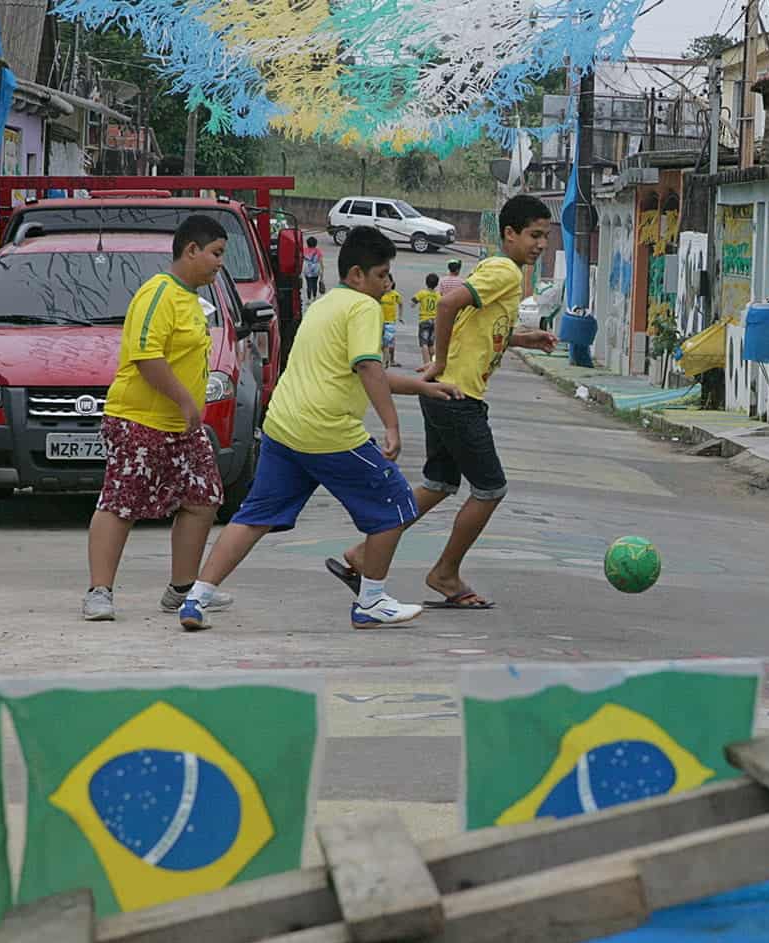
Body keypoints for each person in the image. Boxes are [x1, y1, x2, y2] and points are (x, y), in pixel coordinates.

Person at [175, 226, 464, 632]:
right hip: (326, 431)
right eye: (382, 275)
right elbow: (368, 366)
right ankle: (372, 600)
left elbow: (364, 372)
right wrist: (393, 427)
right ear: (358, 275)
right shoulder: (363, 308)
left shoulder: (325, 305)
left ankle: (197, 598)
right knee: (398, 505)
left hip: (283, 428)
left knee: (253, 517)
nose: (387, 285)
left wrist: (423, 387)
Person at [327, 195, 557, 610]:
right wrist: (441, 361)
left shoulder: (494, 268)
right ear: (510, 234)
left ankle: (364, 554)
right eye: (534, 235)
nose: (540, 244)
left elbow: (481, 327)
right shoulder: (505, 270)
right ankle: (445, 573)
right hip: (457, 396)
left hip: (444, 394)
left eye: (545, 236)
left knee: (439, 483)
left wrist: (524, 339)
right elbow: (450, 304)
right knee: (490, 489)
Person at [84, 214, 231, 622]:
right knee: (121, 502)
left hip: (181, 426)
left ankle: (182, 589)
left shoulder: (192, 298)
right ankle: (99, 592)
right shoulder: (158, 294)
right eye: (216, 254)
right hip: (137, 419)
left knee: (203, 499)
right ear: (191, 251)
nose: (220, 263)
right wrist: (186, 401)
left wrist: (188, 411)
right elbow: (146, 356)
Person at [379, 273, 402, 367]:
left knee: (388, 342)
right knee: (384, 343)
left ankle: (390, 360)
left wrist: (400, 316)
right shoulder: (380, 294)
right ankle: (385, 360)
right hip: (380, 321)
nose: (385, 284)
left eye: (387, 282)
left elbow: (401, 304)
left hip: (390, 322)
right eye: (383, 282)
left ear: (392, 283)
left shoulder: (395, 295)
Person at [413, 273, 440, 352]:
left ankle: (426, 362)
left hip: (424, 320)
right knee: (431, 344)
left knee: (424, 343)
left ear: (426, 282)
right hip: (434, 320)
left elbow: (413, 303)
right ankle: (432, 361)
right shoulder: (438, 295)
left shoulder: (422, 293)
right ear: (437, 284)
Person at [302, 236, 324, 302]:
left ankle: (309, 299)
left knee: (308, 284)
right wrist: (322, 272)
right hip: (315, 270)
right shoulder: (318, 251)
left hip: (307, 270)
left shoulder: (304, 250)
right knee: (315, 284)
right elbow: (321, 262)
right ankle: (314, 298)